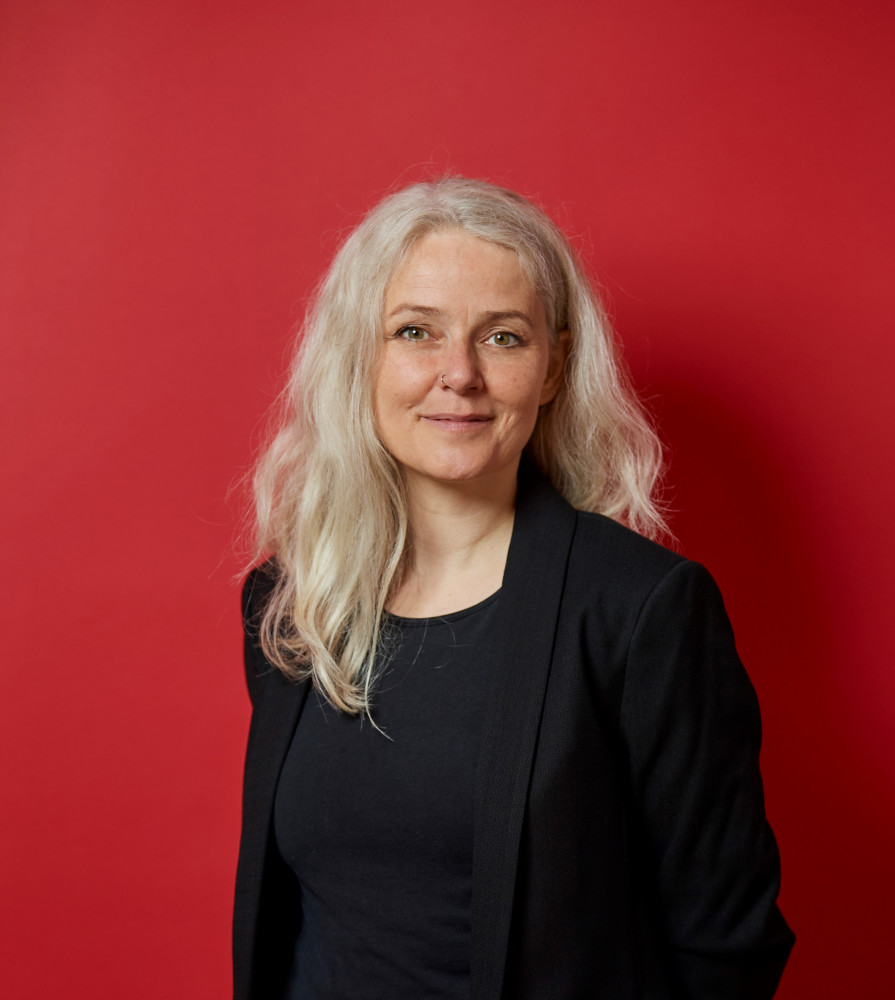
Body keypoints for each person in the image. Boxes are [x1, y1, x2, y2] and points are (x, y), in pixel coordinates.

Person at [233, 177, 794, 1000]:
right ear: (361, 357)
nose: (459, 374)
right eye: (416, 331)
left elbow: (727, 947)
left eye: (502, 337)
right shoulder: (293, 603)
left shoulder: (640, 612)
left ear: (553, 368)